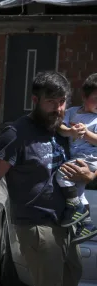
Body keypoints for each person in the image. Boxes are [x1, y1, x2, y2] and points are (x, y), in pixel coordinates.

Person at [0, 71, 97, 286]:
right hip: (35, 222)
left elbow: (88, 157)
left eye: (62, 102)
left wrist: (90, 174)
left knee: (72, 275)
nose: (59, 109)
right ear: (35, 100)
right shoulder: (16, 134)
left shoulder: (62, 130)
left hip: (64, 220)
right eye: (51, 102)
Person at [56, 73, 97, 244]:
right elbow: (60, 127)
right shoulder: (72, 112)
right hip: (77, 158)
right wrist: (70, 132)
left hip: (90, 159)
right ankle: (86, 226)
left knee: (61, 174)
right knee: (80, 192)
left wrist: (86, 134)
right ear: (84, 97)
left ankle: (75, 207)